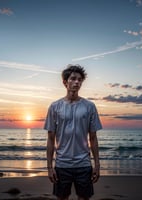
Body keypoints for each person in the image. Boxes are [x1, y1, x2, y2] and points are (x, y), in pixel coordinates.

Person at [44, 64, 102, 200]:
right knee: (62, 198)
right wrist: (49, 167)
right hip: (62, 164)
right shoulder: (55, 107)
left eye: (80, 79)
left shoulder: (89, 106)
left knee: (84, 198)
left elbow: (93, 138)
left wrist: (97, 165)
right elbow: (51, 139)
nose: (77, 82)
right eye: (73, 79)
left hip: (84, 164)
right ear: (65, 82)